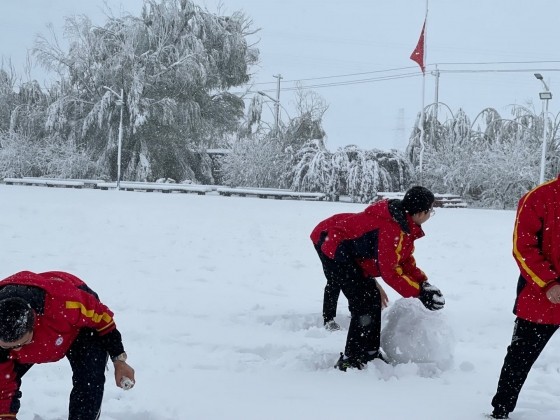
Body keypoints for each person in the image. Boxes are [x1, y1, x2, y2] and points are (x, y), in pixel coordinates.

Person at [310, 186, 445, 371]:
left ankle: (370, 353)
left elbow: (404, 261)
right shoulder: (392, 228)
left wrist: (423, 283)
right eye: (431, 210)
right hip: (331, 242)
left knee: (371, 296)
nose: (430, 214)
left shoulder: (403, 224)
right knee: (362, 301)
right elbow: (390, 272)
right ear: (421, 212)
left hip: (346, 246)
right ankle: (352, 358)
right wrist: (420, 293)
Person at [0, 270, 135, 420]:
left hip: (79, 329)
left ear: (34, 323)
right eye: (9, 346)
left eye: (23, 342)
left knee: (89, 382)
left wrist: (119, 360)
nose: (17, 349)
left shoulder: (64, 303)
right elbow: (3, 387)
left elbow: (103, 319)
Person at [490, 175, 560, 419]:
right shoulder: (538, 198)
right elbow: (523, 248)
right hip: (542, 298)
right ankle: (501, 409)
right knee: (520, 357)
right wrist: (549, 282)